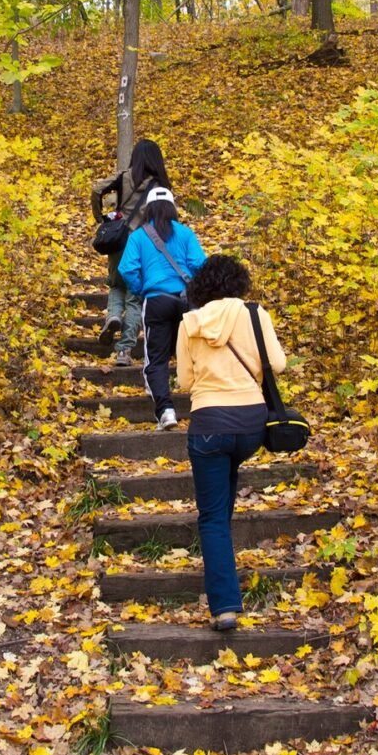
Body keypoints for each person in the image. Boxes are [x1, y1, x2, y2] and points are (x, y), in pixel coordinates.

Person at [176, 255, 286, 632]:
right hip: (250, 424)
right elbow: (278, 364)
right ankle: (222, 565)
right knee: (222, 501)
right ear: (239, 282)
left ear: (201, 287)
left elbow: (185, 382)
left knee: (211, 517)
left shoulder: (189, 323)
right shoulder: (255, 314)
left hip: (209, 423)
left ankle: (224, 606)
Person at [118, 189, 206, 430]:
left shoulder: (138, 236)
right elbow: (199, 264)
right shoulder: (185, 233)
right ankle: (204, 407)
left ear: (148, 209)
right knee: (195, 354)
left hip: (157, 300)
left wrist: (140, 288)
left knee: (156, 359)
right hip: (187, 302)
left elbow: (127, 269)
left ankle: (166, 411)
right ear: (172, 207)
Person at [90, 139, 170, 366]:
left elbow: (97, 189)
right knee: (135, 297)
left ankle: (114, 316)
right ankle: (124, 351)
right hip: (144, 242)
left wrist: (100, 217)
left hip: (119, 238)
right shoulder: (160, 185)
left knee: (117, 285)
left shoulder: (123, 177)